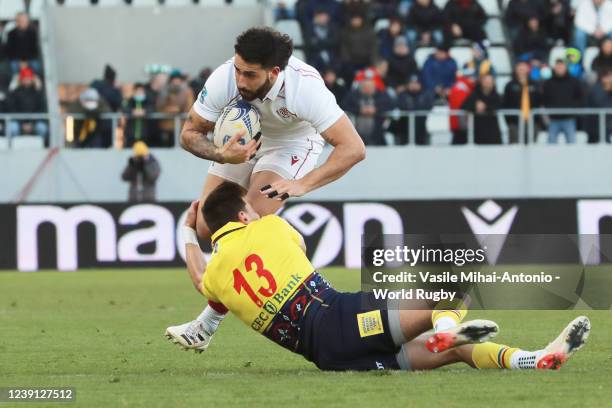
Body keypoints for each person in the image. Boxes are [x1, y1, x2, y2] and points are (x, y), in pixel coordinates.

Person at [166, 181, 591, 373]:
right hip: (337, 317)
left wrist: (189, 230)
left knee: (456, 353)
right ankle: (445, 328)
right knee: (451, 291)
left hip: (328, 358)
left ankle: (534, 360)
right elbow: (297, 250)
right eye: (252, 207)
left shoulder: (216, 277)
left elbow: (201, 277)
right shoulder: (270, 228)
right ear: (244, 214)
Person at [170, 27, 365, 340]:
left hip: (292, 144)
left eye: (249, 75)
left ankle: (208, 324)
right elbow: (189, 134)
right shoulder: (224, 78)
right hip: (242, 140)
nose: (240, 81)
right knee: (206, 224)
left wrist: (301, 184)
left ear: (275, 72)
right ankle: (212, 320)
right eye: (237, 70)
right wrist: (221, 154)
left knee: (247, 224)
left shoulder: (306, 89)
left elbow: (354, 148)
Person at [341, 76, 395, 145]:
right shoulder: (353, 95)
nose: (367, 89)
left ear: (374, 87)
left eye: (370, 87)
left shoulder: (382, 95)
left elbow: (391, 106)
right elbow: (343, 106)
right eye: (365, 87)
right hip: (355, 133)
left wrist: (376, 109)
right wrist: (359, 110)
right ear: (360, 87)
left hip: (377, 134)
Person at [542, 59, 584, 144]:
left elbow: (580, 98)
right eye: (558, 66)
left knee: (572, 143)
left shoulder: (574, 81)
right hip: (553, 119)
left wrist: (573, 109)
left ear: (566, 67)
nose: (560, 68)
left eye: (562, 66)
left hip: (569, 118)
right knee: (551, 144)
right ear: (554, 68)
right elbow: (544, 99)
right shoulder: (548, 83)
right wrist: (549, 111)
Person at [503, 61, 542, 144]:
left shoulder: (535, 85)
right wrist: (509, 120)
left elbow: (540, 101)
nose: (521, 69)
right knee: (514, 145)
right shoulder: (510, 85)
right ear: (516, 69)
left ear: (528, 69)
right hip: (514, 121)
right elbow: (505, 103)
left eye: (524, 67)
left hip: (532, 121)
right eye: (519, 67)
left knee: (532, 145)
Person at [389, 74, 435, 145]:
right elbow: (399, 107)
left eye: (416, 83)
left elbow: (428, 107)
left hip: (421, 129)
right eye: (412, 83)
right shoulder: (402, 95)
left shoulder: (425, 95)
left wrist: (411, 110)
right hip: (404, 130)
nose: (414, 85)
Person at [6, 66, 47, 144]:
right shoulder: (14, 93)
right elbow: (12, 110)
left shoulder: (38, 93)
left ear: (32, 79)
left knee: (42, 128)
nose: (27, 80)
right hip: (18, 122)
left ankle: (43, 150)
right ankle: (12, 150)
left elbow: (41, 110)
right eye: (25, 78)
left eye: (29, 78)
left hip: (34, 123)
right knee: (12, 128)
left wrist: (31, 123)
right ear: (21, 79)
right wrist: (22, 124)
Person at [156, 69, 194, 147]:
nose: (176, 81)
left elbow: (190, 107)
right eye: (174, 79)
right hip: (166, 126)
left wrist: (180, 110)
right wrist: (169, 109)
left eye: (178, 79)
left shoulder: (187, 91)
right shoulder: (164, 91)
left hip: (182, 125)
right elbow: (159, 106)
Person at [461, 73, 502, 144]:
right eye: (486, 81)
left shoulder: (496, 96)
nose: (488, 83)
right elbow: (464, 106)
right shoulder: (474, 94)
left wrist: (485, 107)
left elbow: (499, 105)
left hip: (492, 130)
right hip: (478, 129)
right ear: (481, 82)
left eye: (490, 81)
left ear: (493, 83)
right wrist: (475, 106)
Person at [123, 82, 155, 147]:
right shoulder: (130, 101)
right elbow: (125, 109)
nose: (139, 93)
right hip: (131, 134)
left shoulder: (148, 100)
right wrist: (132, 112)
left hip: (145, 134)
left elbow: (152, 109)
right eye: (137, 91)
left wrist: (145, 112)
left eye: (141, 91)